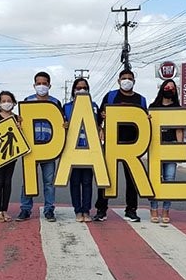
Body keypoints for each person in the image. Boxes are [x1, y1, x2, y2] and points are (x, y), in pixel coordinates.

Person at [92, 69, 147, 222]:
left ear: (134, 81)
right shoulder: (110, 96)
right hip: (111, 143)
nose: (127, 81)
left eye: (130, 78)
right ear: (118, 81)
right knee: (106, 177)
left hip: (133, 145)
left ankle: (131, 210)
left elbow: (147, 121)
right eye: (124, 78)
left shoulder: (141, 99)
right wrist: (101, 128)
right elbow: (98, 118)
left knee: (132, 179)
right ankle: (101, 210)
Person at [17, 71, 63, 222]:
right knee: (28, 180)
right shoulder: (27, 101)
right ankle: (25, 209)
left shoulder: (55, 103)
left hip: (50, 148)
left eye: (44, 83)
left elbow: (62, 125)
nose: (41, 86)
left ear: (49, 85)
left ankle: (49, 209)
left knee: (49, 182)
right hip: (31, 148)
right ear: (34, 85)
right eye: (38, 83)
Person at [63, 78, 100, 222]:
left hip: (90, 149)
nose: (81, 90)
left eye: (84, 87)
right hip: (72, 150)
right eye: (78, 88)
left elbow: (100, 125)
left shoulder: (94, 106)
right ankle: (77, 210)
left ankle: (86, 210)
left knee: (87, 181)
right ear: (73, 90)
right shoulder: (66, 107)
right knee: (75, 181)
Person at [148, 79, 184, 224]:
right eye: (167, 86)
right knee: (154, 179)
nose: (169, 89)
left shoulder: (177, 107)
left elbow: (179, 130)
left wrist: (180, 147)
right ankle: (154, 208)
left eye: (172, 87)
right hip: (155, 147)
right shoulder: (153, 106)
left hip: (171, 147)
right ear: (162, 88)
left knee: (170, 179)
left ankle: (166, 210)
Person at [0, 91, 20, 223]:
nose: (6, 103)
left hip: (12, 154)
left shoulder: (18, 118)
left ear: (13, 103)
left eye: (9, 100)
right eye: (3, 101)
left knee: (8, 182)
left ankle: (5, 210)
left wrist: (20, 128)